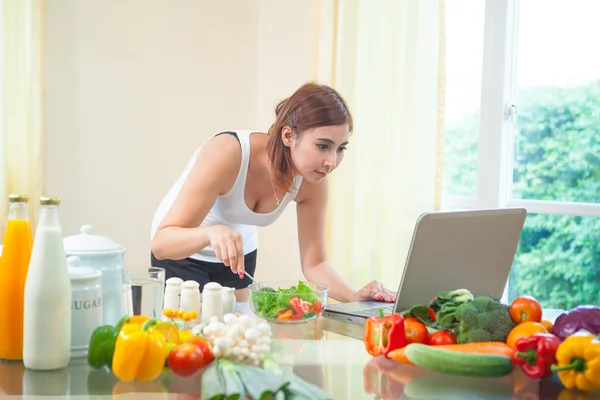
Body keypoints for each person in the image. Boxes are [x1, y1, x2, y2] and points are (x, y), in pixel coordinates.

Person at [150, 82, 397, 303]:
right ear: (289, 135)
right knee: (190, 335)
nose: (331, 161)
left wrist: (354, 297)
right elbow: (162, 244)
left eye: (340, 148)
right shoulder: (228, 153)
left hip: (236, 254)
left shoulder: (315, 180)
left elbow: (315, 263)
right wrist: (211, 233)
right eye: (323, 146)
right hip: (182, 249)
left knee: (236, 338)